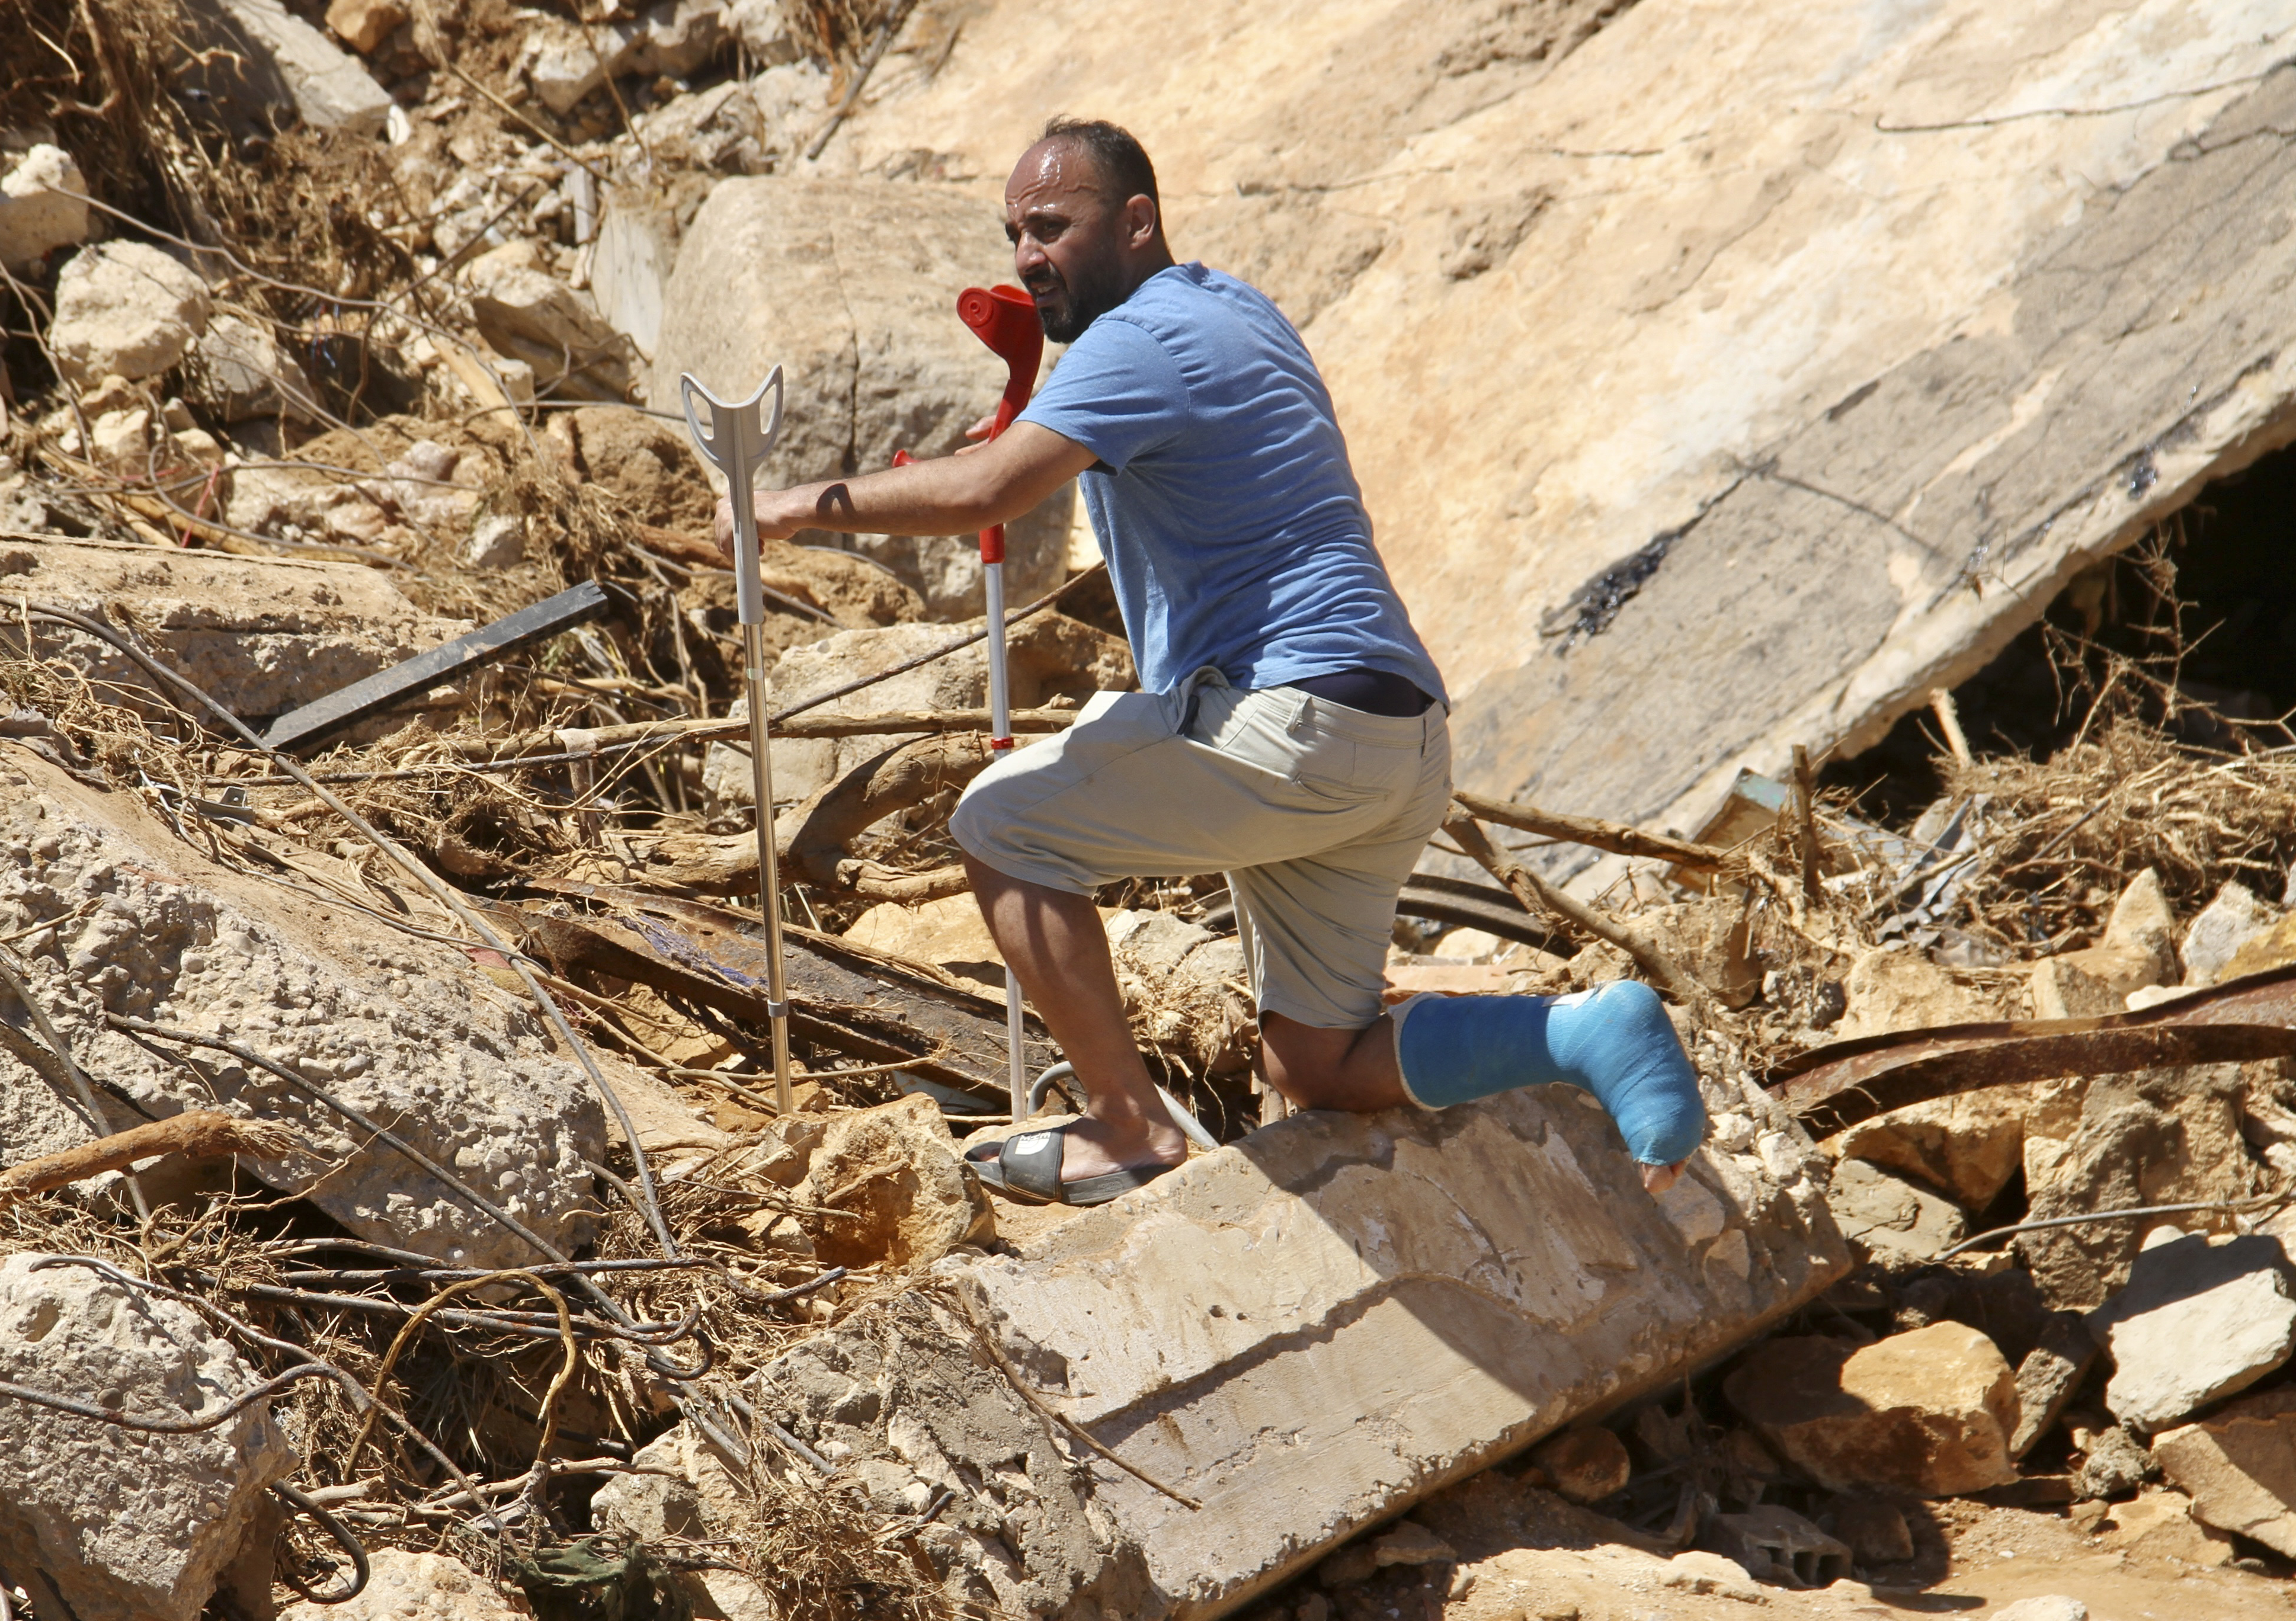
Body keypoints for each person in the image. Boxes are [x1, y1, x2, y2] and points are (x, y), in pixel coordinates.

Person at [717, 116, 1706, 1204]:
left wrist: (789, 507)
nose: (1025, 257)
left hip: (1293, 721)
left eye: (1052, 226)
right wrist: (1017, 446)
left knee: (1001, 828)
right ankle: (1588, 1035)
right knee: (1315, 1065)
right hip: (1396, 737)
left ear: (1135, 221)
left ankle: (1129, 1127)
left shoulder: (1134, 343)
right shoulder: (1234, 308)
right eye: (1012, 233)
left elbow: (986, 494)